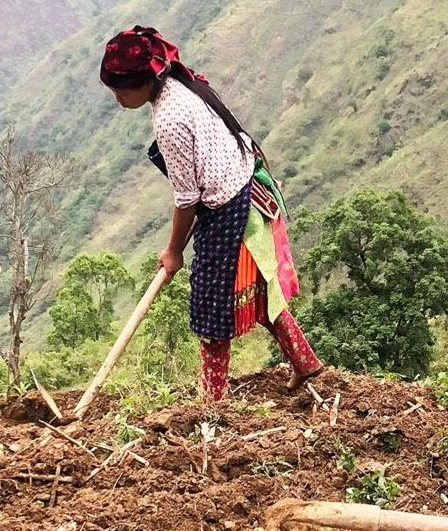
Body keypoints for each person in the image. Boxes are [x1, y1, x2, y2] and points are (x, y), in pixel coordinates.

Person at [100, 26, 321, 401]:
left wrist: (173, 252)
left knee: (210, 309)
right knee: (259, 289)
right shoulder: (182, 82)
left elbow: (187, 198)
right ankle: (304, 361)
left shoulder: (169, 118)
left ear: (145, 81)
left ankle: (212, 401)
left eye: (123, 91)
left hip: (229, 205)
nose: (118, 99)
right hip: (246, 185)